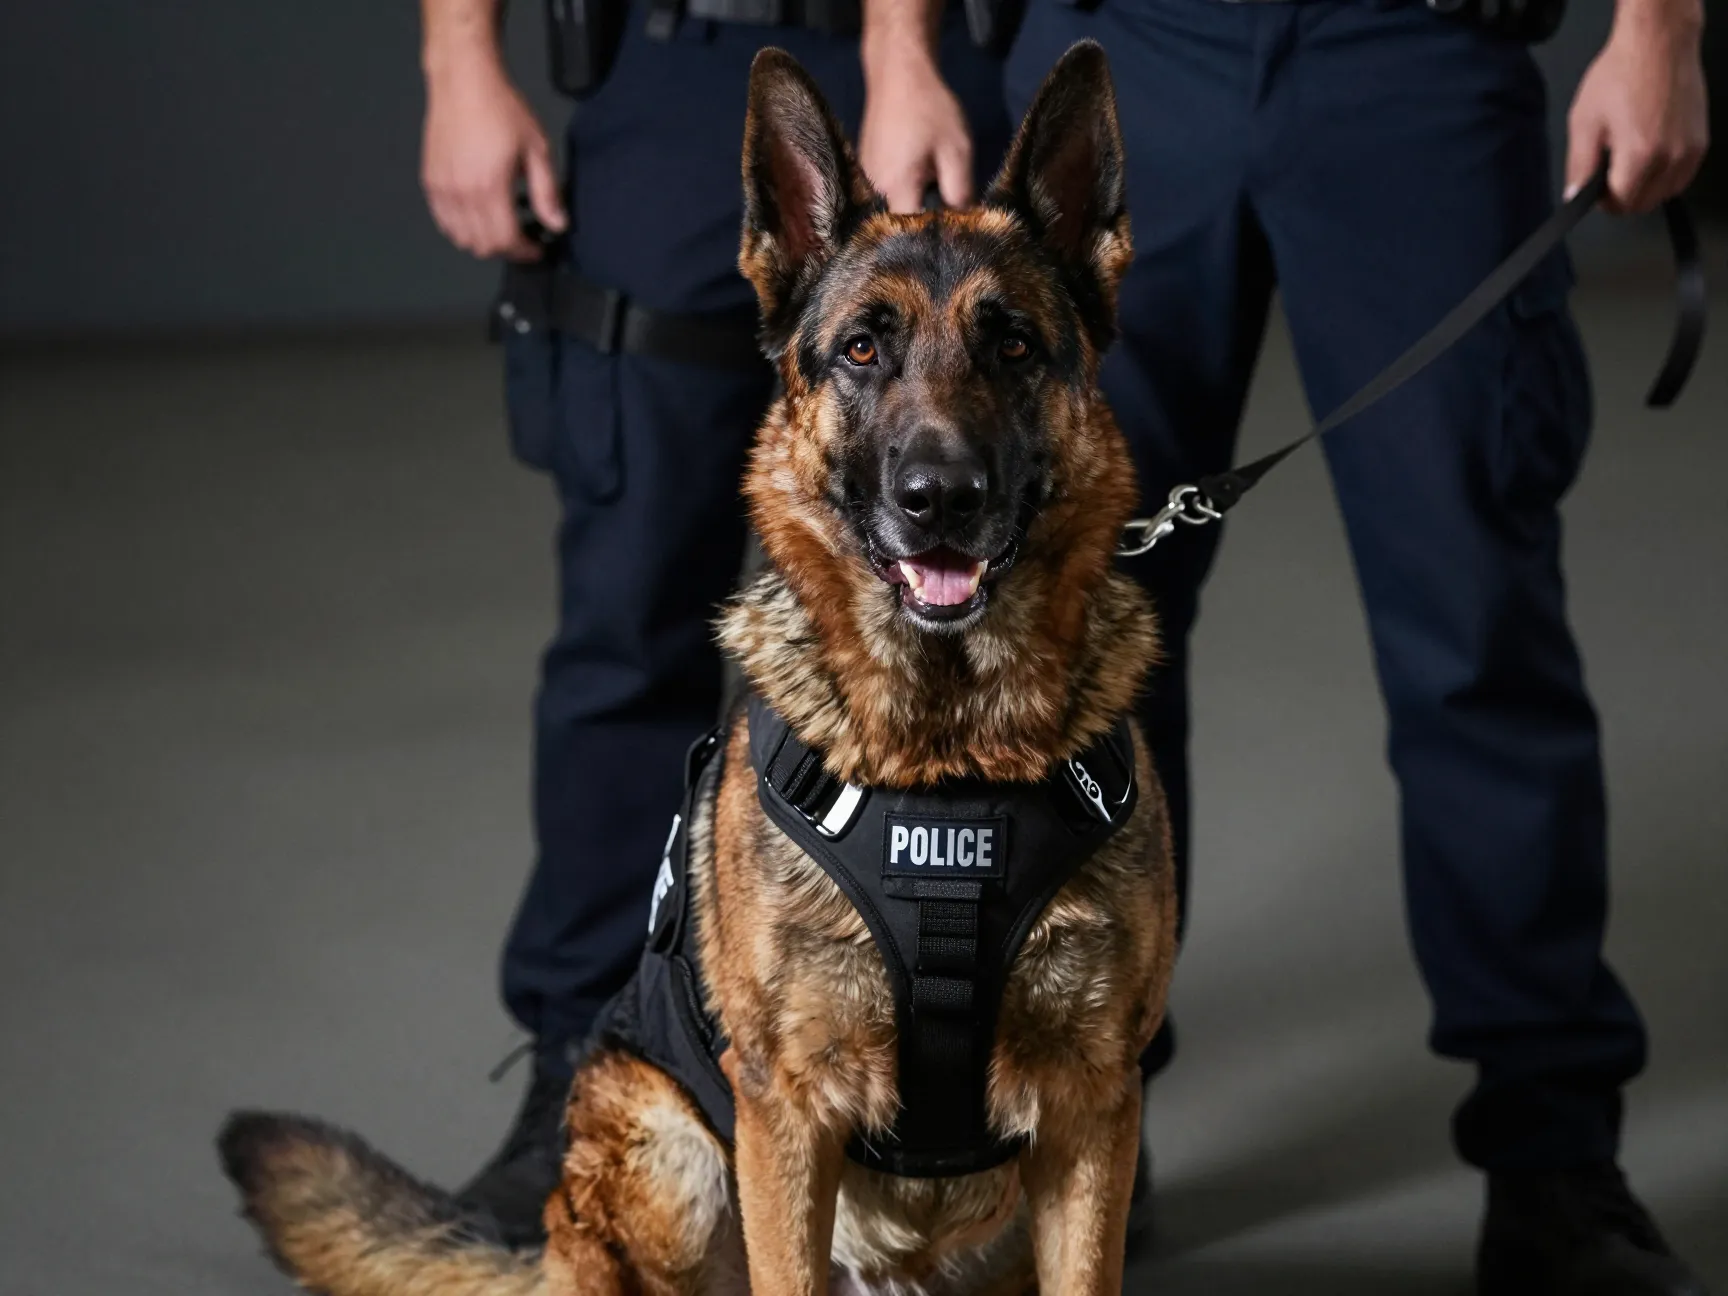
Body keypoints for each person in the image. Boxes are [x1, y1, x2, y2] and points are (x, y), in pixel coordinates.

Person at [858, 0, 1711, 1290]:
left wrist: (1660, 31)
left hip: (1413, 55)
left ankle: (1555, 1165)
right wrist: (898, 50)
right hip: (1122, 48)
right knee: (1071, 633)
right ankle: (1082, 1127)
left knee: (1478, 634)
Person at [416, 0, 1010, 1248]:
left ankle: (996, 1103)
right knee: (627, 631)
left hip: (908, 63)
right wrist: (461, 61)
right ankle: (584, 1076)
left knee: (978, 648)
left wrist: (901, 58)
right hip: (677, 71)